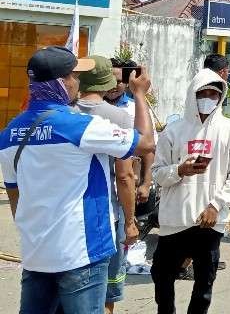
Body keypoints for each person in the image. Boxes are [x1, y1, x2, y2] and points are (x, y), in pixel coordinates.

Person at [0, 46, 155, 313]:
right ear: (62, 83)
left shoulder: (9, 134)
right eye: (74, 75)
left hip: (37, 255)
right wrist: (139, 95)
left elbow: (16, 199)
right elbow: (147, 143)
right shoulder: (81, 127)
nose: (77, 82)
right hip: (82, 253)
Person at [150, 68, 230, 314]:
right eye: (202, 93)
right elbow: (157, 173)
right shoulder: (173, 131)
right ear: (192, 95)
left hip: (209, 221)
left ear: (221, 97)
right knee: (162, 277)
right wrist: (179, 170)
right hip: (175, 218)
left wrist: (216, 205)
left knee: (204, 282)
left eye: (213, 94)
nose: (208, 99)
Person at [75, 55, 141, 314]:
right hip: (105, 215)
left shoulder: (64, 113)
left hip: (69, 215)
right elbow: (124, 177)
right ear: (107, 82)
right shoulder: (118, 117)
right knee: (104, 292)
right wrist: (130, 220)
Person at [107, 58, 155, 207]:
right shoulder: (90, 110)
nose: (114, 86)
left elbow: (149, 148)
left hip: (129, 186)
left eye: (119, 81)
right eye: (109, 81)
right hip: (102, 188)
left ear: (127, 82)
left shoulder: (138, 109)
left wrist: (145, 183)